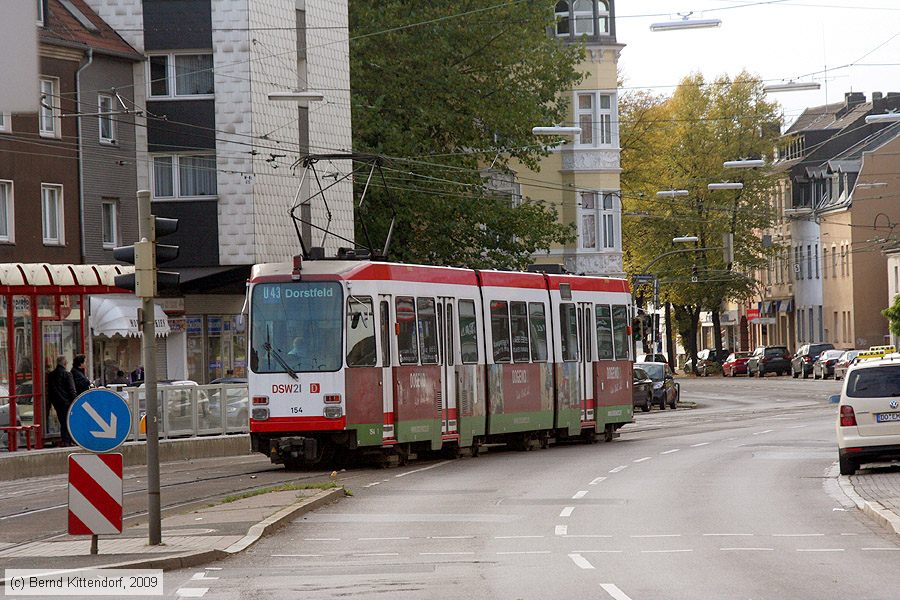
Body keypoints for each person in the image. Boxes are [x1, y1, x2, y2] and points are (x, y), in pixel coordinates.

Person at [47, 356, 76, 446]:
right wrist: (75, 400)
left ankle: (65, 440)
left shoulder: (51, 375)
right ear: (65, 364)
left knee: (62, 420)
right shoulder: (67, 374)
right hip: (67, 402)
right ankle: (68, 440)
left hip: (57, 402)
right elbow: (72, 390)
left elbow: (50, 390)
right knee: (68, 422)